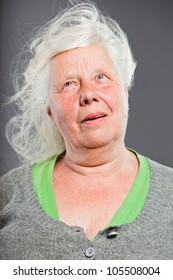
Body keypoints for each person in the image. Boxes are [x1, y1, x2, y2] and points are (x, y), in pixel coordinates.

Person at [0, 1, 173, 260]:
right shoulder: (9, 192)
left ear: (124, 92)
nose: (89, 94)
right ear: (50, 111)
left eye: (101, 77)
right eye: (69, 84)